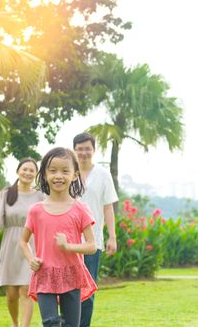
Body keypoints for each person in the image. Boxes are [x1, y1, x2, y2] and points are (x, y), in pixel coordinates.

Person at [19, 147, 98, 327]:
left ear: (75, 175)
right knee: (51, 323)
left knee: (71, 325)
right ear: (45, 175)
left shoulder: (80, 209)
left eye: (64, 171)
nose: (58, 176)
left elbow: (92, 245)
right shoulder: (36, 210)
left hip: (72, 273)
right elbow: (23, 241)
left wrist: (69, 246)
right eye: (52, 170)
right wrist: (31, 259)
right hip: (44, 274)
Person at [0, 157, 43, 327]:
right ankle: (14, 322)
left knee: (27, 290)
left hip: (32, 245)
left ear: (36, 174)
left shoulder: (40, 195)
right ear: (18, 171)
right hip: (10, 246)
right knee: (11, 294)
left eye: (31, 170)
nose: (27, 173)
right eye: (24, 169)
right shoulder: (6, 194)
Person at [72, 132, 118, 327]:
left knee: (87, 289)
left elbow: (108, 207)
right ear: (74, 150)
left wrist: (112, 237)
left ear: (94, 150)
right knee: (66, 289)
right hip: (68, 241)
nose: (83, 153)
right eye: (80, 149)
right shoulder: (67, 171)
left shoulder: (103, 174)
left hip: (93, 241)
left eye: (87, 149)